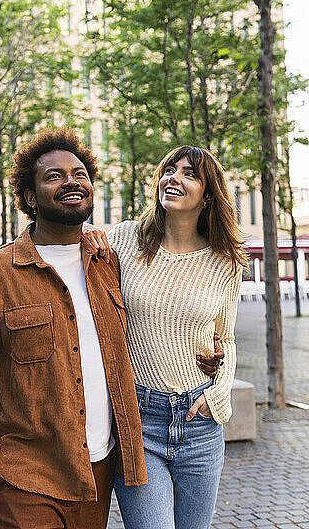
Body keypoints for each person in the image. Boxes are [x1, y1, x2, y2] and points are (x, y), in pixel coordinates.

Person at [0, 130, 220, 529]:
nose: (71, 181)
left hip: (99, 476)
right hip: (27, 480)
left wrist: (210, 353)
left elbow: (160, 309)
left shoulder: (108, 261)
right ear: (30, 197)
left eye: (79, 174)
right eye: (54, 176)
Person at [84, 145, 247, 529]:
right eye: (169, 170)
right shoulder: (124, 240)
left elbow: (226, 339)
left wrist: (215, 397)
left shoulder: (225, 261)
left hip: (200, 424)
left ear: (208, 197)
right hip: (139, 421)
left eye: (190, 174)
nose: (174, 177)